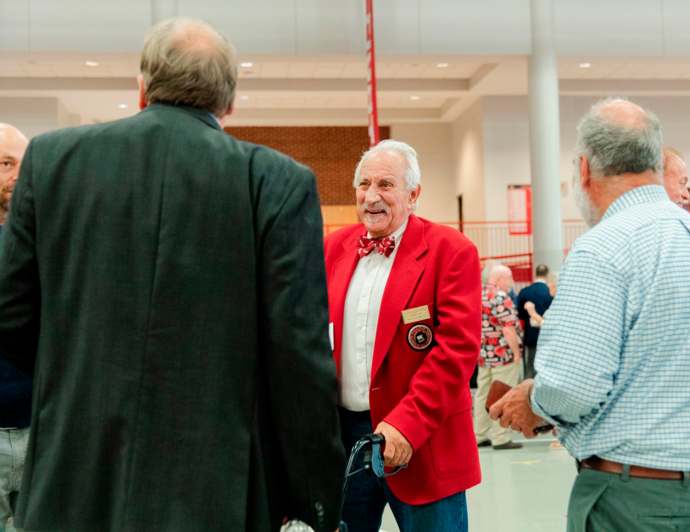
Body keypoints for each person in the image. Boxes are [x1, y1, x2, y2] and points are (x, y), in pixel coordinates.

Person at [0, 18, 344, 532]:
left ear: (142, 90)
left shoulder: (52, 162)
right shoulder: (277, 183)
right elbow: (299, 352)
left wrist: (77, 368)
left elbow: (9, 308)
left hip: (74, 478)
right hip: (221, 482)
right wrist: (316, 493)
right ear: (229, 101)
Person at [490, 98, 690, 532]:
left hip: (633, 500)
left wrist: (533, 401)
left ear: (584, 169)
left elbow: (572, 388)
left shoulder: (603, 248)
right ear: (653, 158)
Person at [325, 139, 481, 532]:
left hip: (424, 441)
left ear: (414, 194)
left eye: (385, 185)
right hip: (345, 444)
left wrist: (406, 426)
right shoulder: (331, 249)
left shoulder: (451, 251)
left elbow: (456, 352)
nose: (371, 197)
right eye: (363, 184)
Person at [0, 123, 30, 532]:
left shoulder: (44, 242)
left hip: (37, 431)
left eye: (23, 164)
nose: (17, 176)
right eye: (6, 164)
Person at [474, 264, 523, 450]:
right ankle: (500, 437)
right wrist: (516, 353)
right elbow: (508, 328)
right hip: (503, 355)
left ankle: (480, 434)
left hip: (483, 354)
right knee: (502, 393)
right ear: (498, 279)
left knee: (482, 394)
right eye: (509, 278)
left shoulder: (477, 294)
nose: (511, 282)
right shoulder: (501, 297)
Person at [516, 263, 553, 378]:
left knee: (530, 363)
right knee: (546, 366)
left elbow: (520, 314)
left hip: (530, 334)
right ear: (547, 275)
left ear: (535, 273)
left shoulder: (525, 292)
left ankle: (527, 391)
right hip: (548, 335)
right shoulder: (549, 292)